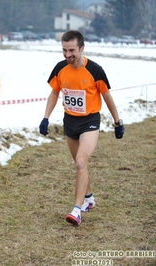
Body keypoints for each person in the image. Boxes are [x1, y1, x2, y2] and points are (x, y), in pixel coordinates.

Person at [39, 30, 125, 226]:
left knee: (80, 162)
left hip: (90, 121)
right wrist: (45, 118)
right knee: (81, 165)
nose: (67, 55)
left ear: (81, 48)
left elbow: (107, 97)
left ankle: (76, 210)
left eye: (71, 50)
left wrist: (117, 122)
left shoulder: (95, 70)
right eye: (64, 50)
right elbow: (54, 93)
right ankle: (89, 199)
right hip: (70, 121)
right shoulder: (60, 68)